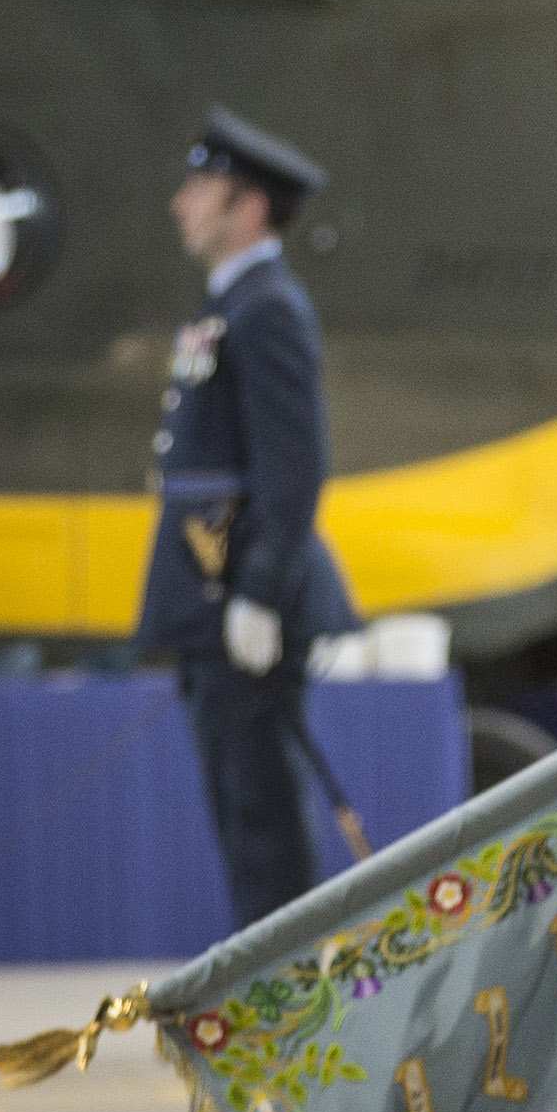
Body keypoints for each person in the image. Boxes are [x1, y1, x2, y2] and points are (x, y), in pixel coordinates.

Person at [137, 107, 361, 928]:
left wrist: (262, 593)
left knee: (264, 827)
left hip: (242, 603)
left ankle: (292, 1010)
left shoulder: (267, 308)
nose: (182, 205)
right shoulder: (232, 306)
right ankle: (273, 1009)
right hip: (213, 601)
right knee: (241, 820)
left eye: (201, 189)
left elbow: (294, 466)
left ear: (249, 207)